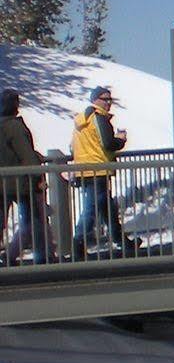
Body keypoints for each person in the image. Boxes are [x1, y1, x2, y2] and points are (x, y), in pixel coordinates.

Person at [70, 84, 128, 254]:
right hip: (99, 169)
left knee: (107, 207)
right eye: (105, 99)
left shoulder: (81, 120)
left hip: (85, 168)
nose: (109, 103)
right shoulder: (99, 118)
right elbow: (108, 144)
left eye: (110, 99)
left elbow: (72, 147)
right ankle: (78, 242)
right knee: (93, 207)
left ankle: (120, 239)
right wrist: (121, 139)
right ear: (95, 100)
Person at [1, 88, 50, 264]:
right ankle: (41, 257)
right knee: (32, 220)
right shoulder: (14, 126)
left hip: (3, 182)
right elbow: (26, 155)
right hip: (20, 183)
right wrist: (38, 177)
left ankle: (10, 256)